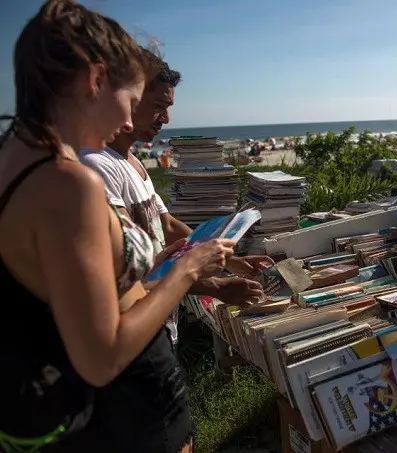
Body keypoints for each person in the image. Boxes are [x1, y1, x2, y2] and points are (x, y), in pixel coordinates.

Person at [0, 1, 232, 451]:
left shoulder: (15, 158)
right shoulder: (71, 185)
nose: (128, 120)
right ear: (96, 80)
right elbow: (102, 357)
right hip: (118, 405)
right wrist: (187, 271)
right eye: (128, 100)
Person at [80, 52, 270, 346]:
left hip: (157, 320)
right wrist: (215, 286)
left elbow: (166, 225)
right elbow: (125, 271)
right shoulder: (96, 166)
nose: (166, 119)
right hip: (130, 331)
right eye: (158, 106)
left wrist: (232, 260)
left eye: (167, 107)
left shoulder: (132, 160)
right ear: (128, 99)